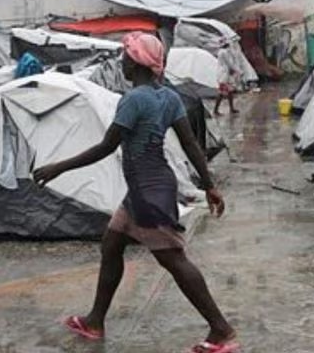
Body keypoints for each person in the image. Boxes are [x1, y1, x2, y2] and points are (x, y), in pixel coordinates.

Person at [33, 32, 238, 353]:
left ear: (138, 61)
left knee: (174, 259)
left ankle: (221, 330)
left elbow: (107, 146)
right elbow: (190, 144)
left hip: (147, 193)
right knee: (112, 244)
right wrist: (209, 183)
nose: (122, 61)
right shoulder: (168, 97)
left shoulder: (134, 100)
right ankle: (95, 320)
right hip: (149, 187)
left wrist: (57, 167)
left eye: (126, 55)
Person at [213, 42, 240, 116]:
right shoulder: (224, 52)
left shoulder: (221, 52)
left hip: (225, 75)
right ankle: (215, 110)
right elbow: (229, 63)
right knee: (222, 93)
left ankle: (231, 108)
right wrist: (236, 70)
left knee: (230, 92)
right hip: (224, 76)